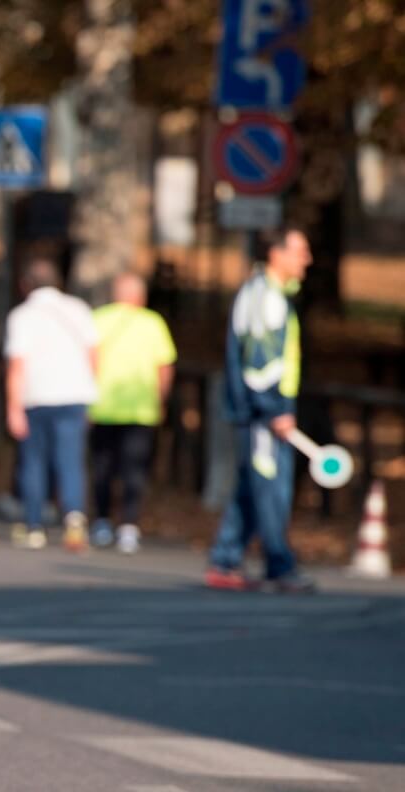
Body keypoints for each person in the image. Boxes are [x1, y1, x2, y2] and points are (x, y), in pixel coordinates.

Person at [206, 227, 316, 593]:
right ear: (276, 254)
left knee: (252, 489)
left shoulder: (267, 294)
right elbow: (259, 362)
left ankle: (225, 559)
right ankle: (279, 566)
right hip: (263, 414)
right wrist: (274, 410)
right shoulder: (265, 298)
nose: (307, 260)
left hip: (260, 411)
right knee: (270, 490)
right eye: (300, 252)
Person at [4, 259, 98, 551]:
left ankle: (34, 524)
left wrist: (12, 407)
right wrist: (92, 389)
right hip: (74, 395)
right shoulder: (78, 309)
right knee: (70, 460)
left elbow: (17, 364)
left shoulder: (22, 315)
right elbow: (93, 353)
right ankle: (74, 517)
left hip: (36, 396)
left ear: (25, 284)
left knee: (34, 462)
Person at [89, 272, 177, 553]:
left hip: (101, 405)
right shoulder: (153, 323)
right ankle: (129, 525)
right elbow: (164, 366)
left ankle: (102, 520)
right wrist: (161, 399)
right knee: (133, 470)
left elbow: (88, 361)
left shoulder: (98, 319)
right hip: (141, 409)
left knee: (102, 467)